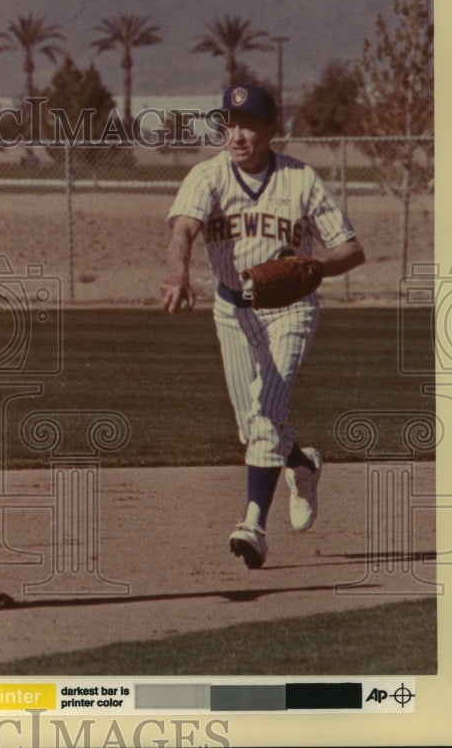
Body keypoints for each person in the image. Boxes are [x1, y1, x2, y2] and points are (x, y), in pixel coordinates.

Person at [160, 84, 365, 568]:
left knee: (264, 412)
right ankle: (304, 463)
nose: (237, 134)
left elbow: (351, 250)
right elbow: (184, 229)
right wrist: (178, 273)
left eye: (250, 124)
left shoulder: (301, 181)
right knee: (250, 424)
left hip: (291, 309)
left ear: (273, 130)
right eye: (230, 123)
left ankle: (253, 523)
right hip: (232, 311)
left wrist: (313, 269)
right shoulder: (207, 177)